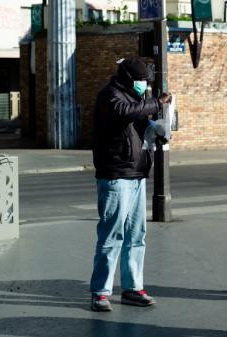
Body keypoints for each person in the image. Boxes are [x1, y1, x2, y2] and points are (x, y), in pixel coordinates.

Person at [89, 58, 172, 311]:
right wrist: (156, 102)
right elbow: (124, 113)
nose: (144, 85)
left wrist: (157, 128)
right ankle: (100, 292)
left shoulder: (134, 98)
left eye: (146, 81)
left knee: (137, 236)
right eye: (141, 80)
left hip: (136, 174)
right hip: (115, 175)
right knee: (112, 235)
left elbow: (137, 120)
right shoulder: (110, 96)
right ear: (127, 78)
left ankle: (132, 289)